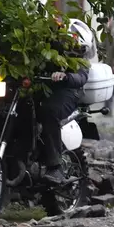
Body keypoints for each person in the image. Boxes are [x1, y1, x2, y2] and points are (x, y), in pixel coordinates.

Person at [38, 18, 95, 185]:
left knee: (50, 112)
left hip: (69, 91)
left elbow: (82, 77)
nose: (74, 49)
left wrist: (66, 76)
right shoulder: (48, 47)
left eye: (78, 47)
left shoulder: (81, 60)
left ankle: (54, 167)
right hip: (44, 87)